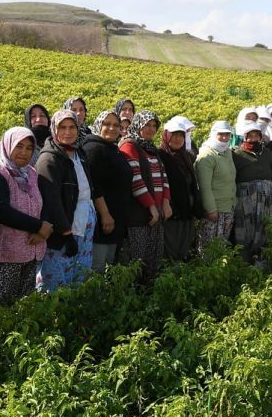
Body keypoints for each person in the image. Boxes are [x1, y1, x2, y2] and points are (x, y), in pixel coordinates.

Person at [0, 127, 53, 304]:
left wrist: (43, 228)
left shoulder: (30, 173)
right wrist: (38, 226)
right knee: (1, 308)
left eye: (29, 148)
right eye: (19, 146)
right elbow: (0, 210)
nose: (24, 152)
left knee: (23, 306)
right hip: (4, 257)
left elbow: (43, 201)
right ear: (7, 145)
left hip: (30, 252)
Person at [35, 110, 98, 292]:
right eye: (62, 127)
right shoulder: (49, 159)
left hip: (83, 221)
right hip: (63, 229)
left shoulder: (78, 154)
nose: (68, 132)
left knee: (79, 273)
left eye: (72, 127)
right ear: (54, 129)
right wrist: (66, 233)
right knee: (56, 280)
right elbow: (52, 201)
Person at [118, 110, 171, 281]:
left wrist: (166, 201)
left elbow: (163, 176)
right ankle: (135, 292)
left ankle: (150, 291)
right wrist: (150, 206)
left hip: (156, 211)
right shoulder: (129, 146)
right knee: (137, 259)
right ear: (138, 125)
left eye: (154, 125)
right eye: (147, 125)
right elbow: (135, 178)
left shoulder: (150, 148)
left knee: (153, 257)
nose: (151, 129)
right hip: (139, 213)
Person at [81, 110, 131, 272]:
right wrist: (105, 214)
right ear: (98, 125)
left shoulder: (112, 148)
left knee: (110, 264)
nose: (112, 128)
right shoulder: (93, 148)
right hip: (103, 219)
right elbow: (95, 185)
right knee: (98, 265)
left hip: (116, 216)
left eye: (116, 125)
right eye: (107, 124)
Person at [232, 121, 272, 263]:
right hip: (245, 198)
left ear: (260, 137)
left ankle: (265, 259)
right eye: (250, 136)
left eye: (256, 136)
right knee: (247, 228)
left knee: (265, 225)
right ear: (245, 137)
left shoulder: (266, 153)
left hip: (266, 196)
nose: (253, 139)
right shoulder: (237, 154)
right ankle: (245, 261)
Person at [159, 116, 204, 262]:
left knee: (184, 248)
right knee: (171, 249)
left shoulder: (186, 156)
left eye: (181, 135)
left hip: (187, 210)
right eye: (174, 135)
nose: (178, 139)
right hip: (172, 212)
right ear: (167, 136)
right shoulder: (161, 156)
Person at [195, 121, 237, 252]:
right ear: (213, 134)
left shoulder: (227, 152)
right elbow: (204, 187)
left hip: (228, 207)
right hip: (214, 210)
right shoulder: (207, 155)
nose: (224, 137)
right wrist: (211, 210)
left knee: (222, 247)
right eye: (221, 134)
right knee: (208, 247)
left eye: (227, 134)